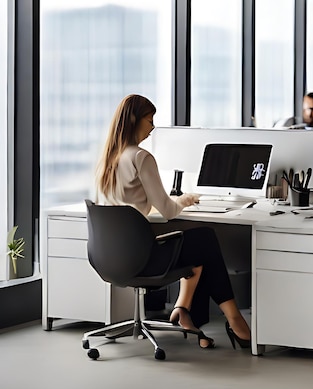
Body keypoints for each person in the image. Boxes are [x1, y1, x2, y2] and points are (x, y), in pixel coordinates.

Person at [95, 94, 251, 350]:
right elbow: (167, 210)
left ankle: (184, 312)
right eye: (149, 120)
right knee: (206, 239)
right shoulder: (140, 157)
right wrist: (186, 199)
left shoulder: (107, 159)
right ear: (135, 120)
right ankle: (234, 320)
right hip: (141, 258)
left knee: (198, 246)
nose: (153, 127)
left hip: (110, 259)